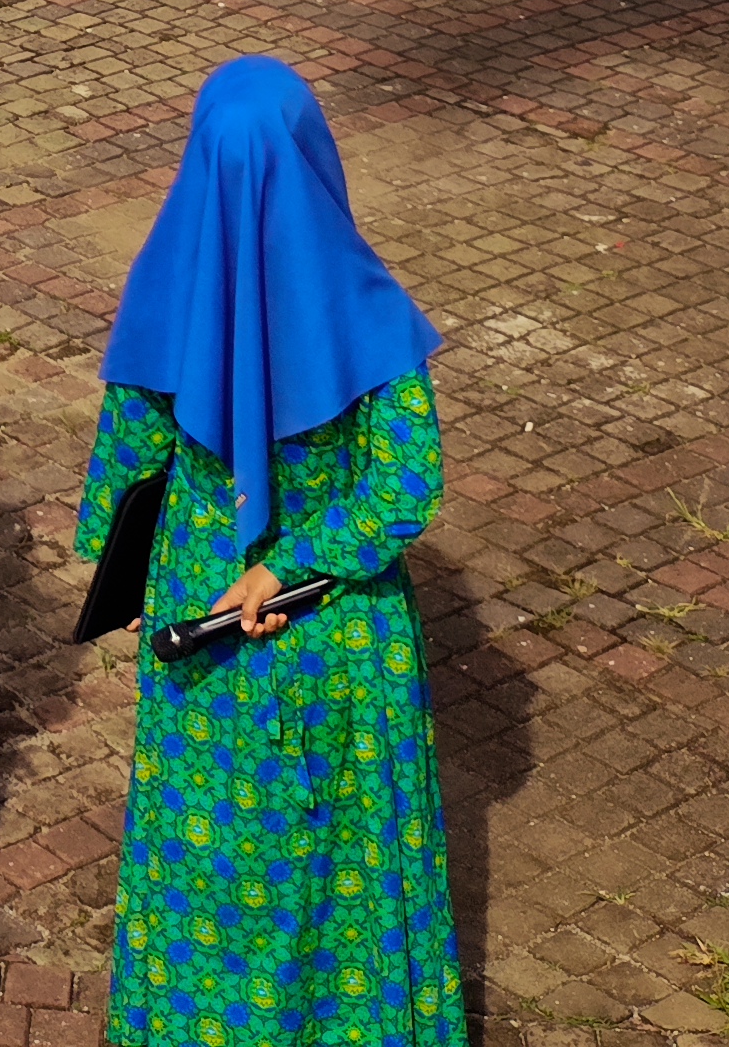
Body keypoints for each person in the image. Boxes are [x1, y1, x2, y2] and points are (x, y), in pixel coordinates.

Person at [74, 58, 456, 1047]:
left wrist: (117, 578)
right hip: (340, 629)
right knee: (345, 862)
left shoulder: (163, 289)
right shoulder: (368, 310)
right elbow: (404, 485)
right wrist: (296, 558)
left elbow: (126, 470)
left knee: (214, 870)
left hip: (203, 621)